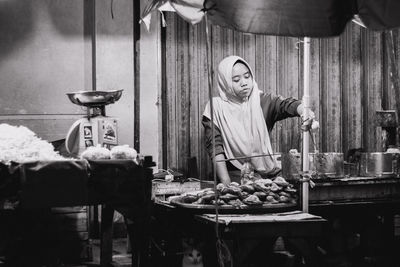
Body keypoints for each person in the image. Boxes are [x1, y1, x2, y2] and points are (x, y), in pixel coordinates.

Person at [202, 55, 315, 185]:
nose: (244, 83)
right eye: (236, 80)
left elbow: (286, 105)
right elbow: (215, 147)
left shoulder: (262, 100)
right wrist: (226, 183)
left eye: (247, 76)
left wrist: (304, 111)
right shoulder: (215, 107)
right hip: (234, 174)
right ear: (225, 82)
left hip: (267, 172)